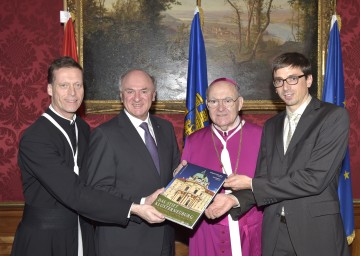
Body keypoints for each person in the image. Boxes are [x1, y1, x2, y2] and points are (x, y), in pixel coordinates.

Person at [11, 57, 166, 256]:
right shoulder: (36, 138)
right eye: (64, 85)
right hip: (45, 240)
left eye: (77, 85)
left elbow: (97, 186)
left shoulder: (82, 128)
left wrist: (143, 201)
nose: (72, 93)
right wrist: (134, 208)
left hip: (83, 234)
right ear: (50, 89)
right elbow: (73, 192)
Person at [212, 52, 350, 255]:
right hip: (275, 233)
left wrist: (251, 183)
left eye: (293, 79)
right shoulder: (271, 125)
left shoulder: (332, 117)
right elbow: (265, 178)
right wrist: (234, 200)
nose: (286, 87)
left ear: (309, 80)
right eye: (279, 81)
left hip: (316, 233)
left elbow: (314, 179)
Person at [84, 69, 180, 256]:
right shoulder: (105, 134)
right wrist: (141, 203)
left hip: (164, 240)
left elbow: (170, 174)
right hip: (123, 243)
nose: (137, 97)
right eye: (130, 91)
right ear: (121, 96)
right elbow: (97, 192)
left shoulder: (166, 129)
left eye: (144, 91)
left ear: (154, 95)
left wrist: (181, 174)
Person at [180, 77, 263, 256]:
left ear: (240, 103)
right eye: (214, 101)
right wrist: (178, 182)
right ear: (207, 106)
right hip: (206, 233)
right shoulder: (194, 141)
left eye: (227, 100)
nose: (221, 108)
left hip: (251, 231)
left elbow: (272, 185)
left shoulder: (262, 137)